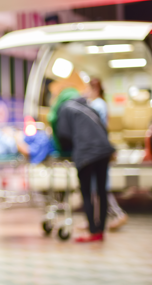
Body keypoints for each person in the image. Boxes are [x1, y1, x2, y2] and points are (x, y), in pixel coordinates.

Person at [48, 87, 115, 243]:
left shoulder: (64, 108)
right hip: (104, 151)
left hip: (85, 153)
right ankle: (101, 231)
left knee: (86, 193)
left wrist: (68, 149)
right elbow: (103, 128)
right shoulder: (89, 106)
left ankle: (93, 231)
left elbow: (63, 134)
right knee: (101, 191)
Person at [87, 78, 128, 230]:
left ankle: (118, 214)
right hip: (101, 148)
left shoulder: (96, 105)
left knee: (99, 187)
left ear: (95, 89)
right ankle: (93, 218)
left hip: (97, 150)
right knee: (97, 187)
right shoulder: (102, 104)